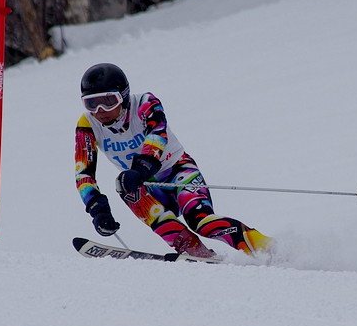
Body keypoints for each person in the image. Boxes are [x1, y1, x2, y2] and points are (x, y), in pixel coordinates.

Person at [74, 63, 274, 258]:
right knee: (124, 184)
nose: (100, 110)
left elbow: (157, 135)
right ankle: (195, 251)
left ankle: (267, 249)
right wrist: (97, 208)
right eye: (91, 103)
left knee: (201, 222)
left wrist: (141, 168)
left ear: (124, 96)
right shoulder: (88, 124)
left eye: (109, 101)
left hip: (179, 172)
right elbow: (84, 173)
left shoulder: (145, 103)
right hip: (147, 186)